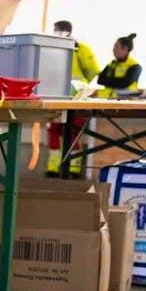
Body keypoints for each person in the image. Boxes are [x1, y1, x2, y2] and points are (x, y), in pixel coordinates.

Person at [46, 20, 100, 176]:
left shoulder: (82, 50)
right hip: (57, 97)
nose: (54, 33)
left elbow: (94, 73)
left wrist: (84, 89)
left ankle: (74, 168)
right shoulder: (52, 49)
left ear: (66, 31)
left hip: (77, 98)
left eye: (56, 30)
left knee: (73, 131)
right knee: (54, 130)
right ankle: (53, 167)